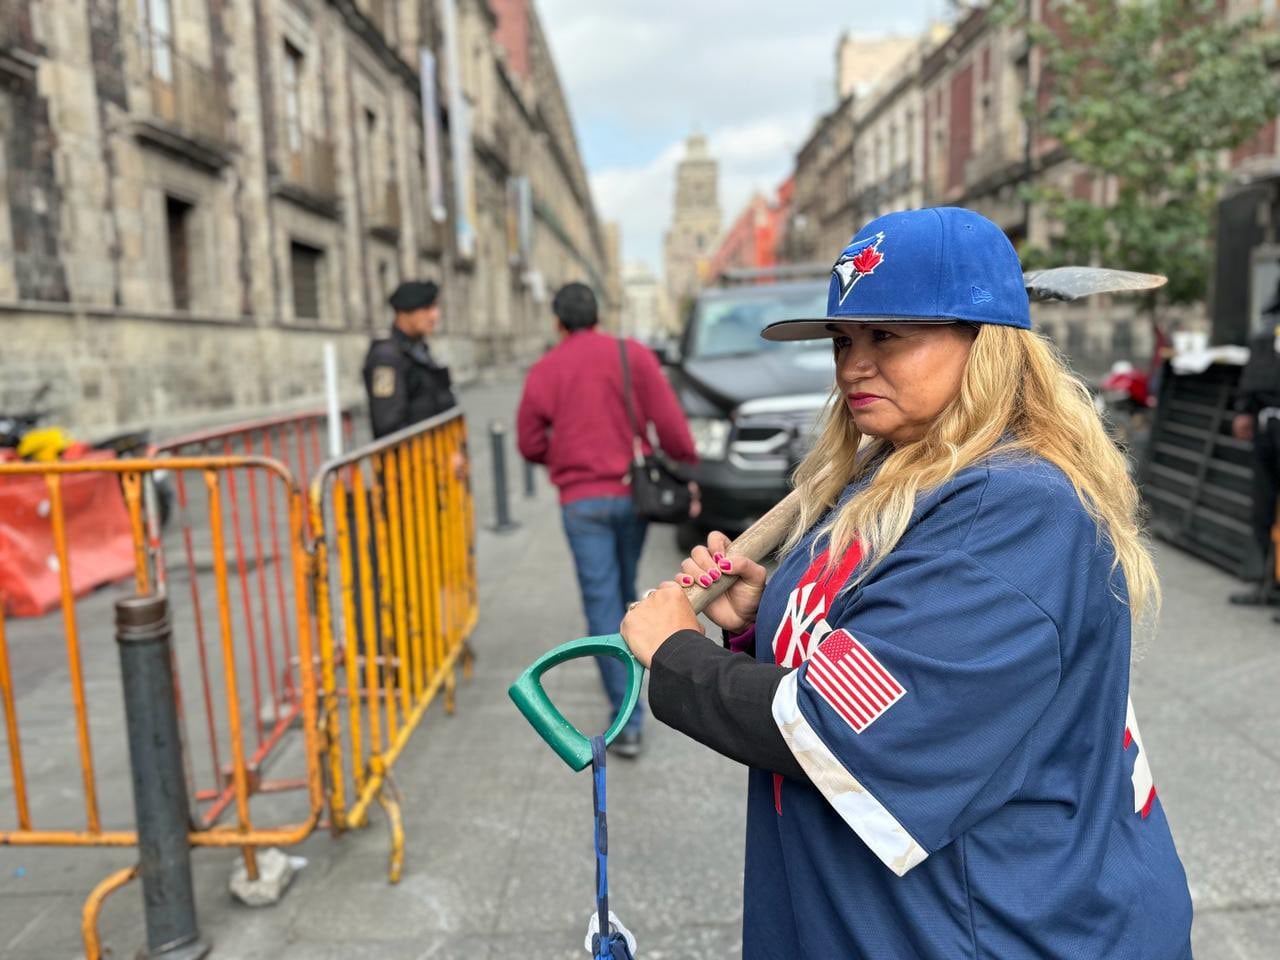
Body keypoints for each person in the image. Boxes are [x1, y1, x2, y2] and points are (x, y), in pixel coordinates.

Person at [620, 208, 1193, 958]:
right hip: (891, 910)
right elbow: (894, 648)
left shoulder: (1013, 507)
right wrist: (766, 621)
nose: (855, 364)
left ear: (984, 345)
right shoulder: (892, 465)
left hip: (991, 920)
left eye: (888, 335)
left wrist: (677, 657)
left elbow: (839, 724)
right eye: (843, 340)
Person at [517, 282, 698, 758]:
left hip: (581, 502)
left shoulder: (545, 369)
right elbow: (670, 423)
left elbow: (528, 442)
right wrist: (687, 463)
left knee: (601, 602)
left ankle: (628, 720)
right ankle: (639, 678)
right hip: (631, 495)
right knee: (623, 588)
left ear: (557, 322)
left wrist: (565, 451)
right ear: (598, 315)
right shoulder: (631, 355)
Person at [1230, 283, 1280, 609]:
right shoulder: (1267, 332)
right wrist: (1245, 410)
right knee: (1262, 509)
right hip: (1268, 427)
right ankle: (1268, 585)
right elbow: (1255, 378)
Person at [363, 280, 456, 439]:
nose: (435, 315)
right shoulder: (386, 357)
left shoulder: (417, 349)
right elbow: (388, 425)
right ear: (404, 313)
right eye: (427, 308)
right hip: (412, 461)